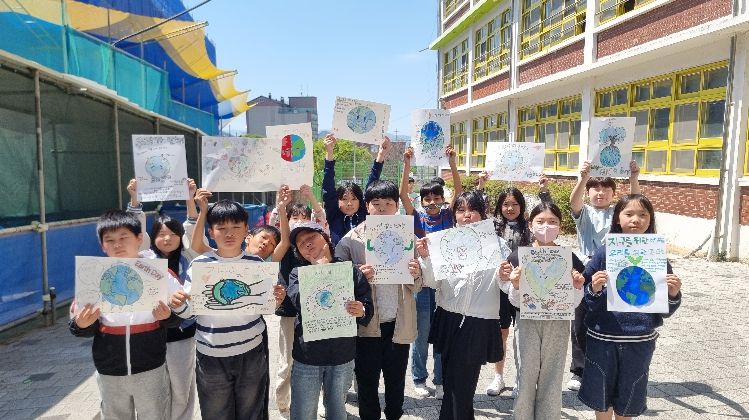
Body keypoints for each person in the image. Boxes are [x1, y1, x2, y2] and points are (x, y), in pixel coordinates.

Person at [177, 199, 286, 420]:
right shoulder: (200, 265)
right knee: (216, 414)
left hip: (251, 353)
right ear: (211, 231)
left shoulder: (257, 265)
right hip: (211, 355)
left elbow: (264, 307)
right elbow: (188, 312)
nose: (229, 233)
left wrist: (277, 300)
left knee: (251, 412)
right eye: (221, 228)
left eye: (236, 226)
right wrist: (178, 304)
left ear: (246, 230)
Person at [69, 210, 183, 420]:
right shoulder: (92, 277)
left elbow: (180, 316)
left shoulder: (159, 274)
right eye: (110, 240)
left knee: (155, 414)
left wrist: (168, 316)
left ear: (139, 238)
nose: (117, 245)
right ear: (102, 245)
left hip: (151, 366)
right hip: (109, 369)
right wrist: (81, 324)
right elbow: (78, 325)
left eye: (124, 237)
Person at [577, 194, 682, 419]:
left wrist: (673, 294)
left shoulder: (656, 256)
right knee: (601, 396)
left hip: (640, 341)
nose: (636, 219)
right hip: (603, 338)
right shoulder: (604, 252)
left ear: (650, 220)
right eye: (629, 214)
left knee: (630, 395)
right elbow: (584, 296)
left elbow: (665, 308)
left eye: (643, 214)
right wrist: (594, 288)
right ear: (617, 218)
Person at [416, 190, 511, 419]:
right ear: (454, 215)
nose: (466, 215)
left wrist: (504, 276)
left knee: (463, 385)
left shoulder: (498, 245)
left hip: (479, 321)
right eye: (460, 210)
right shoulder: (444, 242)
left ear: (483, 213)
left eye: (473, 210)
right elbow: (432, 282)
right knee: (451, 381)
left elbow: (506, 286)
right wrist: (426, 258)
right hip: (448, 317)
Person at [335, 180, 424, 420]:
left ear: (397, 206)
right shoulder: (351, 239)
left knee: (396, 381)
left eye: (388, 203)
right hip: (366, 326)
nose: (382, 209)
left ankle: (394, 415)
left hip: (398, 323)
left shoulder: (408, 236)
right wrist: (357, 274)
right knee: (367, 382)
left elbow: (419, 284)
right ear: (367, 206)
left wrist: (416, 273)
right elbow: (336, 277)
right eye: (376, 203)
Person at [279, 222, 374, 420]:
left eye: (311, 237)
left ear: (326, 238)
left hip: (342, 354)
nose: (307, 244)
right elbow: (299, 302)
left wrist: (361, 310)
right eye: (301, 243)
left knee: (337, 410)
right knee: (303, 412)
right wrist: (319, 270)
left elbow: (367, 304)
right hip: (307, 355)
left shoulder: (349, 270)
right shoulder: (297, 274)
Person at [126, 178, 201, 419]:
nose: (167, 238)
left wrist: (190, 197)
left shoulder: (189, 257)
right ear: (152, 237)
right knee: (153, 390)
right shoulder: (145, 258)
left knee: (182, 386)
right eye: (161, 234)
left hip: (182, 334)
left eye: (172, 234)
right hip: (150, 333)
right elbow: (134, 232)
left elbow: (193, 228)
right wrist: (135, 198)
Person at [503, 202, 586, 419]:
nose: (546, 227)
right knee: (526, 375)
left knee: (552, 376)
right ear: (530, 225)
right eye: (540, 222)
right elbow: (514, 301)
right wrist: (516, 285)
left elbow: (573, 302)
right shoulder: (519, 256)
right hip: (527, 322)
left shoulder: (568, 258)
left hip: (558, 323)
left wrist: (577, 287)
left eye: (552, 222)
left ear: (560, 226)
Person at [567, 160, 640, 391]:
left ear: (613, 193)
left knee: (610, 320)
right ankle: (579, 370)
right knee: (580, 322)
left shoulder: (618, 213)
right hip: (585, 268)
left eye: (606, 189)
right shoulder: (584, 212)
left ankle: (607, 368)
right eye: (595, 189)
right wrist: (583, 178)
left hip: (615, 270)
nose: (600, 193)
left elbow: (636, 204)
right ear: (589, 192)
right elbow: (574, 202)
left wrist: (633, 178)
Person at [401, 144, 462, 399]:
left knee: (442, 335)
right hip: (423, 286)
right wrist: (407, 163)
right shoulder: (417, 219)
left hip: (445, 285)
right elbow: (403, 194)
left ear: (442, 199)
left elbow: (459, 190)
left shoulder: (448, 216)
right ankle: (419, 378)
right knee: (421, 335)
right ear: (422, 201)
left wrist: (452, 162)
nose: (433, 203)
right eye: (428, 199)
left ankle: (440, 380)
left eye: (437, 198)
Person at [486, 175, 553, 397]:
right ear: (499, 206)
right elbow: (477, 210)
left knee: (523, 334)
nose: (510, 208)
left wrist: (544, 192)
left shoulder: (529, 227)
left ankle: (520, 379)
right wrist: (481, 186)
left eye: (515, 204)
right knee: (502, 332)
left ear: (522, 206)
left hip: (527, 287)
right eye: (505, 204)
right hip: (500, 286)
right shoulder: (492, 226)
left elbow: (547, 215)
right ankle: (498, 376)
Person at [322, 134, 390, 246]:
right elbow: (328, 184)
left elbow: (372, 184)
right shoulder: (334, 215)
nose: (349, 203)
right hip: (340, 257)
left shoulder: (364, 214)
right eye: (345, 199)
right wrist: (329, 152)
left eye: (354, 199)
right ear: (337, 201)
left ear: (361, 201)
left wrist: (381, 155)